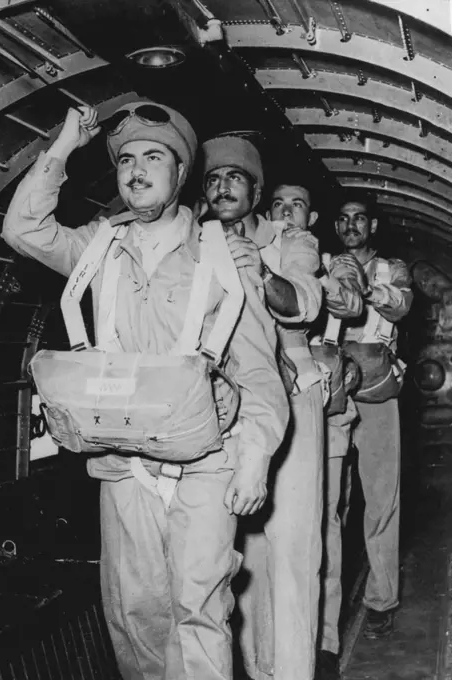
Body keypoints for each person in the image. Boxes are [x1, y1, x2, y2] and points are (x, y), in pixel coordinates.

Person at [1, 98, 289, 680]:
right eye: (126, 159)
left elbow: (259, 370)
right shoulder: (99, 245)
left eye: (154, 157)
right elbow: (22, 228)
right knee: (136, 614)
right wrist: (62, 147)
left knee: (199, 608)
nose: (136, 170)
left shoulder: (223, 254)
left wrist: (255, 456)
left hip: (208, 461)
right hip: (122, 465)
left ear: (181, 174)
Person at [201, 134, 326, 680]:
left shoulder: (287, 240)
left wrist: (262, 272)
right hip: (222, 408)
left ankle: (296, 670)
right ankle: (255, 669)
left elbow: (303, 302)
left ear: (255, 193)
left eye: (235, 178)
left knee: (293, 546)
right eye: (212, 178)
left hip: (293, 399)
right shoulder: (193, 239)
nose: (222, 187)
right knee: (239, 552)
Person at [316, 192, 413, 680]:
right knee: (327, 506)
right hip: (331, 390)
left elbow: (398, 306)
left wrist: (361, 286)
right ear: (335, 225)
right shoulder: (319, 263)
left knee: (381, 499)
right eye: (344, 219)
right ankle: (324, 628)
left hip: (377, 391)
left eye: (360, 219)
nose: (351, 226)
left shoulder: (391, 269)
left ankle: (381, 600)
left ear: (372, 225)